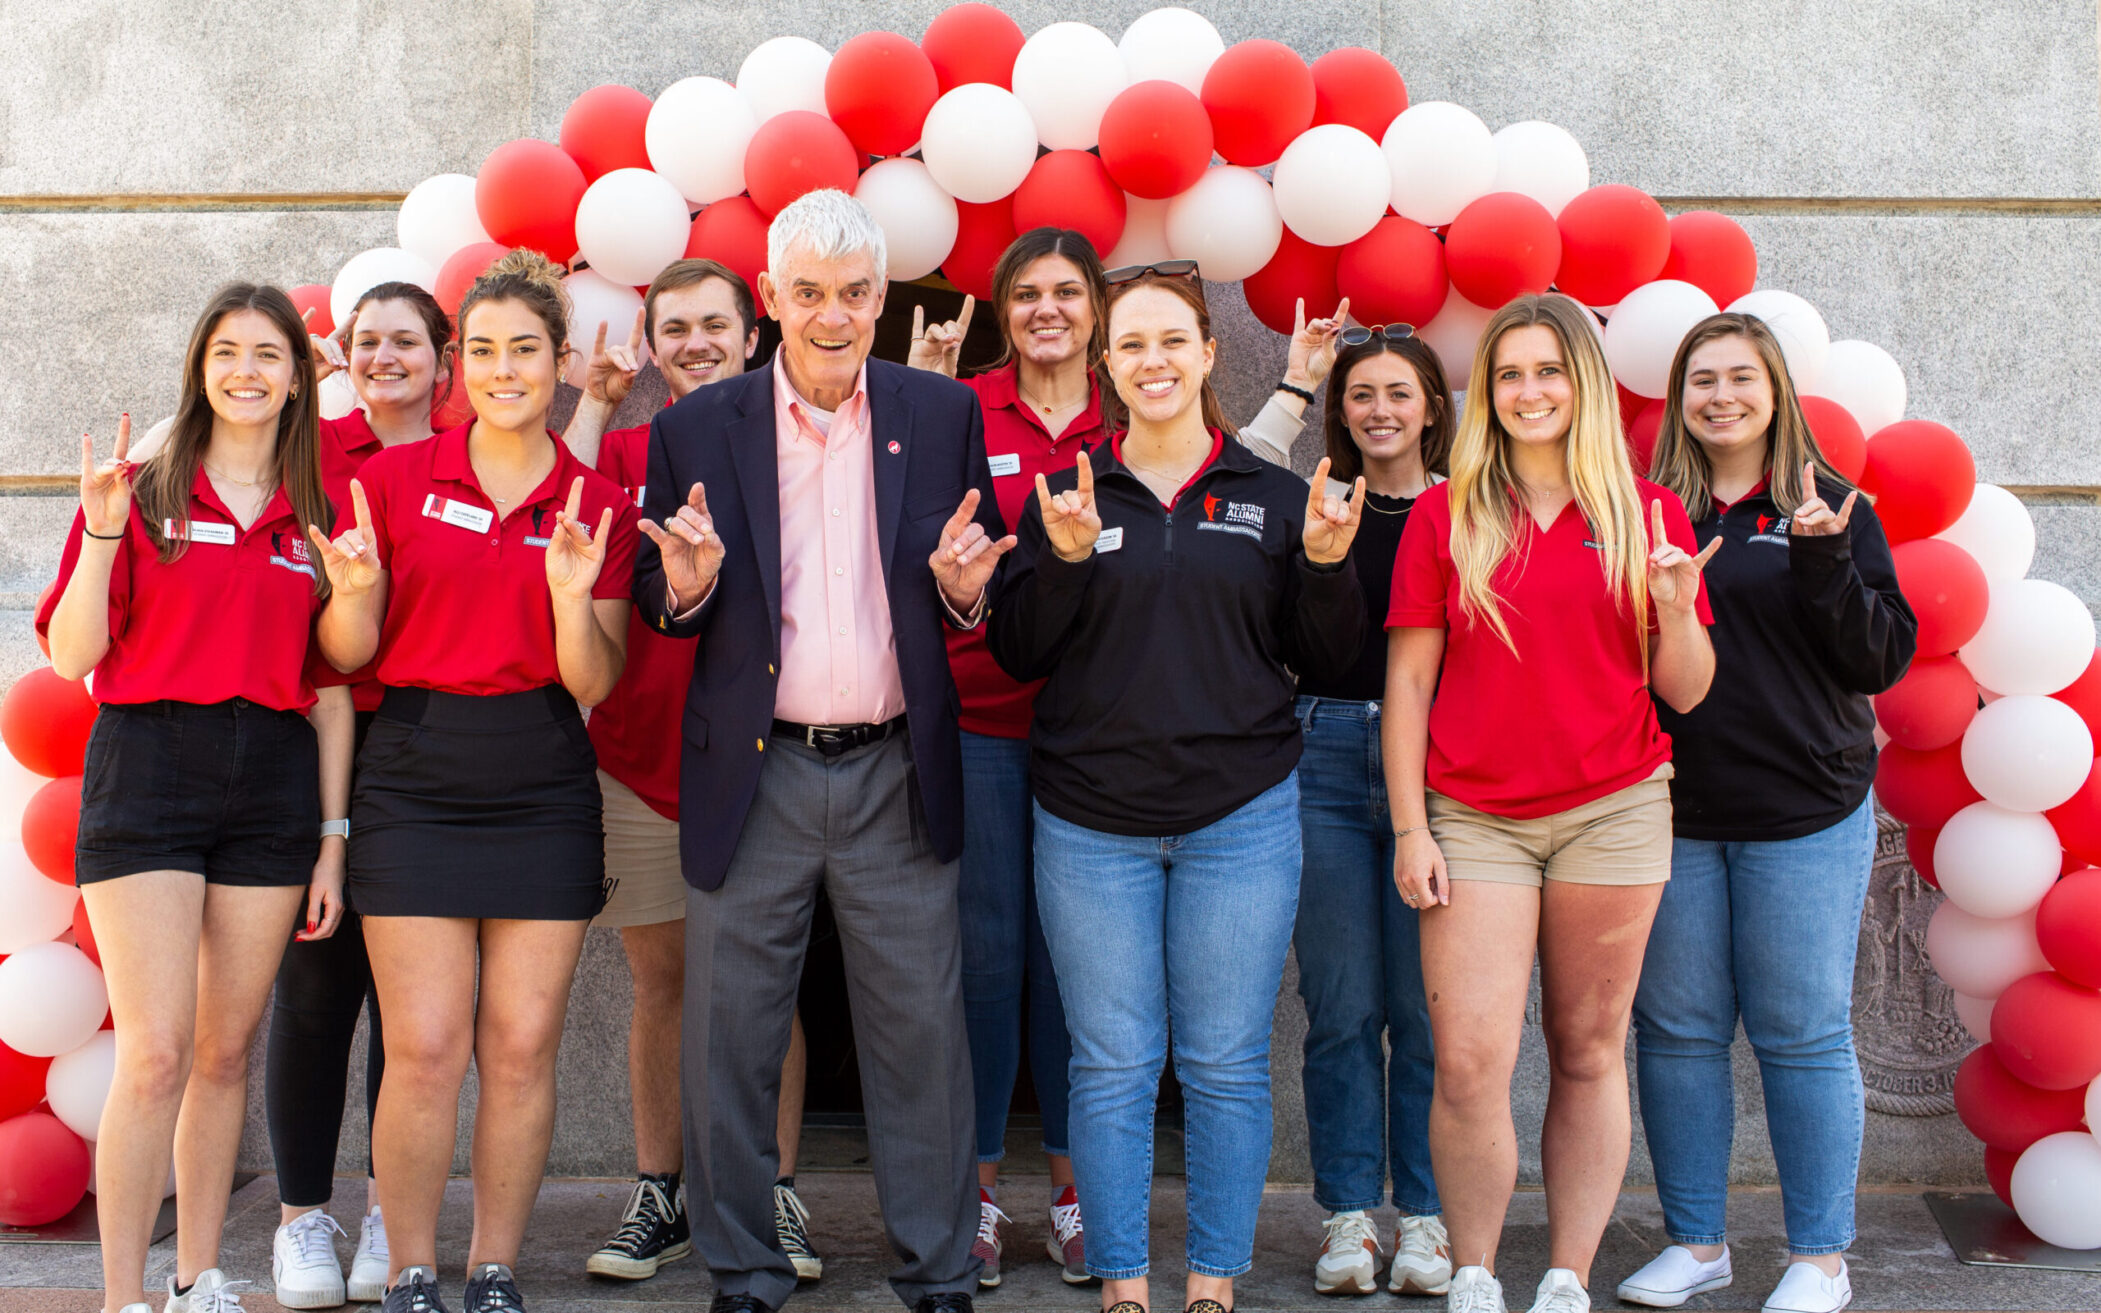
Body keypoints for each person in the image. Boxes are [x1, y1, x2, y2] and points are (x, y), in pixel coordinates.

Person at [632, 188, 1001, 1313]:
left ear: (882, 299)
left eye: (853, 293)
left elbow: (968, 575)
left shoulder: (939, 414)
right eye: (808, 293)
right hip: (758, 767)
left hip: (894, 762)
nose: (832, 315)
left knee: (921, 1038)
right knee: (728, 1034)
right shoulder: (696, 426)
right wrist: (684, 590)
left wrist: (968, 601)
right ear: (770, 300)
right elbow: (659, 589)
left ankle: (937, 1270)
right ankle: (742, 1271)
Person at [988, 265, 1367, 1313]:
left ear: (1207, 356)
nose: (1152, 361)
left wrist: (1329, 568)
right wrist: (1060, 562)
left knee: (1225, 1062)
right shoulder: (1065, 492)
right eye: (1132, 345)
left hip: (1238, 817)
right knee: (1110, 1063)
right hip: (1089, 822)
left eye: (1172, 342)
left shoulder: (1272, 495)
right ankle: (1121, 1280)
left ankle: (1210, 1278)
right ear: (1107, 365)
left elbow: (1322, 657)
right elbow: (1018, 650)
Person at [307, 249, 640, 1313]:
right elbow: (349, 654)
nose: (504, 369)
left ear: (560, 365)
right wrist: (352, 594)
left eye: (526, 350)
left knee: (521, 1039)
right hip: (411, 771)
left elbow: (594, 676)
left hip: (542, 773)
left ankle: (492, 1264)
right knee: (427, 1043)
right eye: (485, 350)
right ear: (459, 365)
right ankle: (410, 1265)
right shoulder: (393, 480)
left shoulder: (595, 496)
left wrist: (571, 595)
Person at [1384, 293, 1719, 1313]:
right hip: (1475, 814)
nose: (1529, 391)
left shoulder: (1649, 512)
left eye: (1548, 371)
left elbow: (1687, 688)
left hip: (1614, 808)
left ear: (1585, 383)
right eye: (1509, 373)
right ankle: (1478, 1270)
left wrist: (1670, 605)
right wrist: (1410, 825)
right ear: (1487, 391)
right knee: (1471, 1057)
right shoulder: (1448, 512)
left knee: (1585, 1045)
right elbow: (1406, 683)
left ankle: (1567, 1273)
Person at [40, 284, 353, 1313]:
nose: (248, 370)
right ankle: (123, 1295)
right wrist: (96, 533)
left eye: (269, 353)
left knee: (223, 1050)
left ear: (298, 375)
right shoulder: (140, 489)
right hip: (151, 763)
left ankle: (200, 1276)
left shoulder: (322, 507)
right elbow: (76, 651)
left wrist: (332, 838)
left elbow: (337, 685)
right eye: (227, 351)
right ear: (200, 367)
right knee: (159, 1048)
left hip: (271, 776)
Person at [1618, 314, 1915, 1313]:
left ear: (1775, 390)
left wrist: (1824, 561)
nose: (1719, 396)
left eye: (1740, 377)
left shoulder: (1835, 504)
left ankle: (1820, 1256)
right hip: (1675, 807)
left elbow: (1877, 660)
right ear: (1678, 398)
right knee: (1676, 1027)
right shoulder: (1650, 509)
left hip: (1804, 808)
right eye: (1700, 379)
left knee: (1799, 1029)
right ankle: (1696, 1240)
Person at [561, 259, 825, 1284]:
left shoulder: (801, 443)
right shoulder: (624, 448)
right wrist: (590, 399)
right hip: (638, 760)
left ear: (753, 335)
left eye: (715, 324)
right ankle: (660, 1191)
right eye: (674, 328)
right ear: (650, 346)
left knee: (767, 982)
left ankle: (774, 1189)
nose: (696, 342)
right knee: (663, 981)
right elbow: (559, 520)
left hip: (764, 760)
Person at [268, 280, 454, 1308]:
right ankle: (301, 1217)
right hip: (320, 732)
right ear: (343, 353)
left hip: (430, 741)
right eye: (367, 341)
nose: (386, 356)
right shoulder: (309, 459)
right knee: (316, 980)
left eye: (407, 341)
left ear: (443, 357)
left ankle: (395, 1200)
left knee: (411, 1000)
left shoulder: (469, 457)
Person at [1276, 325, 1457, 1298]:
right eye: (1360, 394)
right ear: (1338, 410)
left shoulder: (1473, 507)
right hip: (1326, 752)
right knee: (1341, 1005)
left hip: (1447, 761)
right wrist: (1321, 555)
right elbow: (1312, 637)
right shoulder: (1318, 504)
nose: (1380, 409)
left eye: (1398, 391)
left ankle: (1426, 1216)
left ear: (1431, 403)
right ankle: (1349, 1215)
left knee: (1428, 1011)